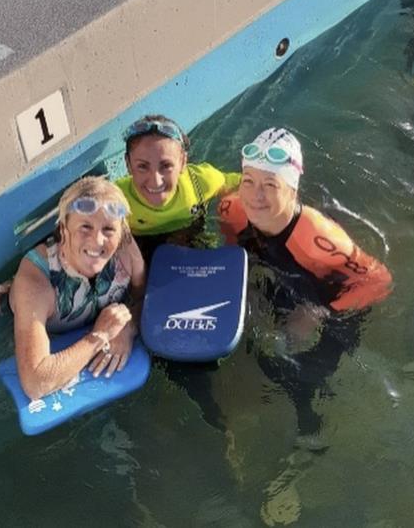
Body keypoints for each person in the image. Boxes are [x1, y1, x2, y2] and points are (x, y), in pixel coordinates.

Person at [219, 127, 392, 440]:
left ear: (292, 190)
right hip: (279, 273)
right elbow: (234, 254)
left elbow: (379, 282)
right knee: (264, 357)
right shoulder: (231, 210)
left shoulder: (318, 237)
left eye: (270, 185)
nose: (255, 196)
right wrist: (247, 287)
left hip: (331, 294)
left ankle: (310, 424)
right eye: (249, 181)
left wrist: (318, 311)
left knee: (307, 374)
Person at [7, 176, 145, 399]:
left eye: (109, 229)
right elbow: (35, 383)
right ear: (64, 230)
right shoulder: (37, 280)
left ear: (121, 234)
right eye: (85, 227)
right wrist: (100, 336)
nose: (97, 240)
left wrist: (128, 328)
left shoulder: (126, 251)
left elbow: (145, 298)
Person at [116, 114, 241, 263]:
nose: (156, 181)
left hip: (192, 237)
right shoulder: (116, 199)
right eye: (142, 166)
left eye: (166, 166)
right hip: (141, 248)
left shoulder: (200, 183)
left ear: (182, 162)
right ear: (128, 165)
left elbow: (241, 183)